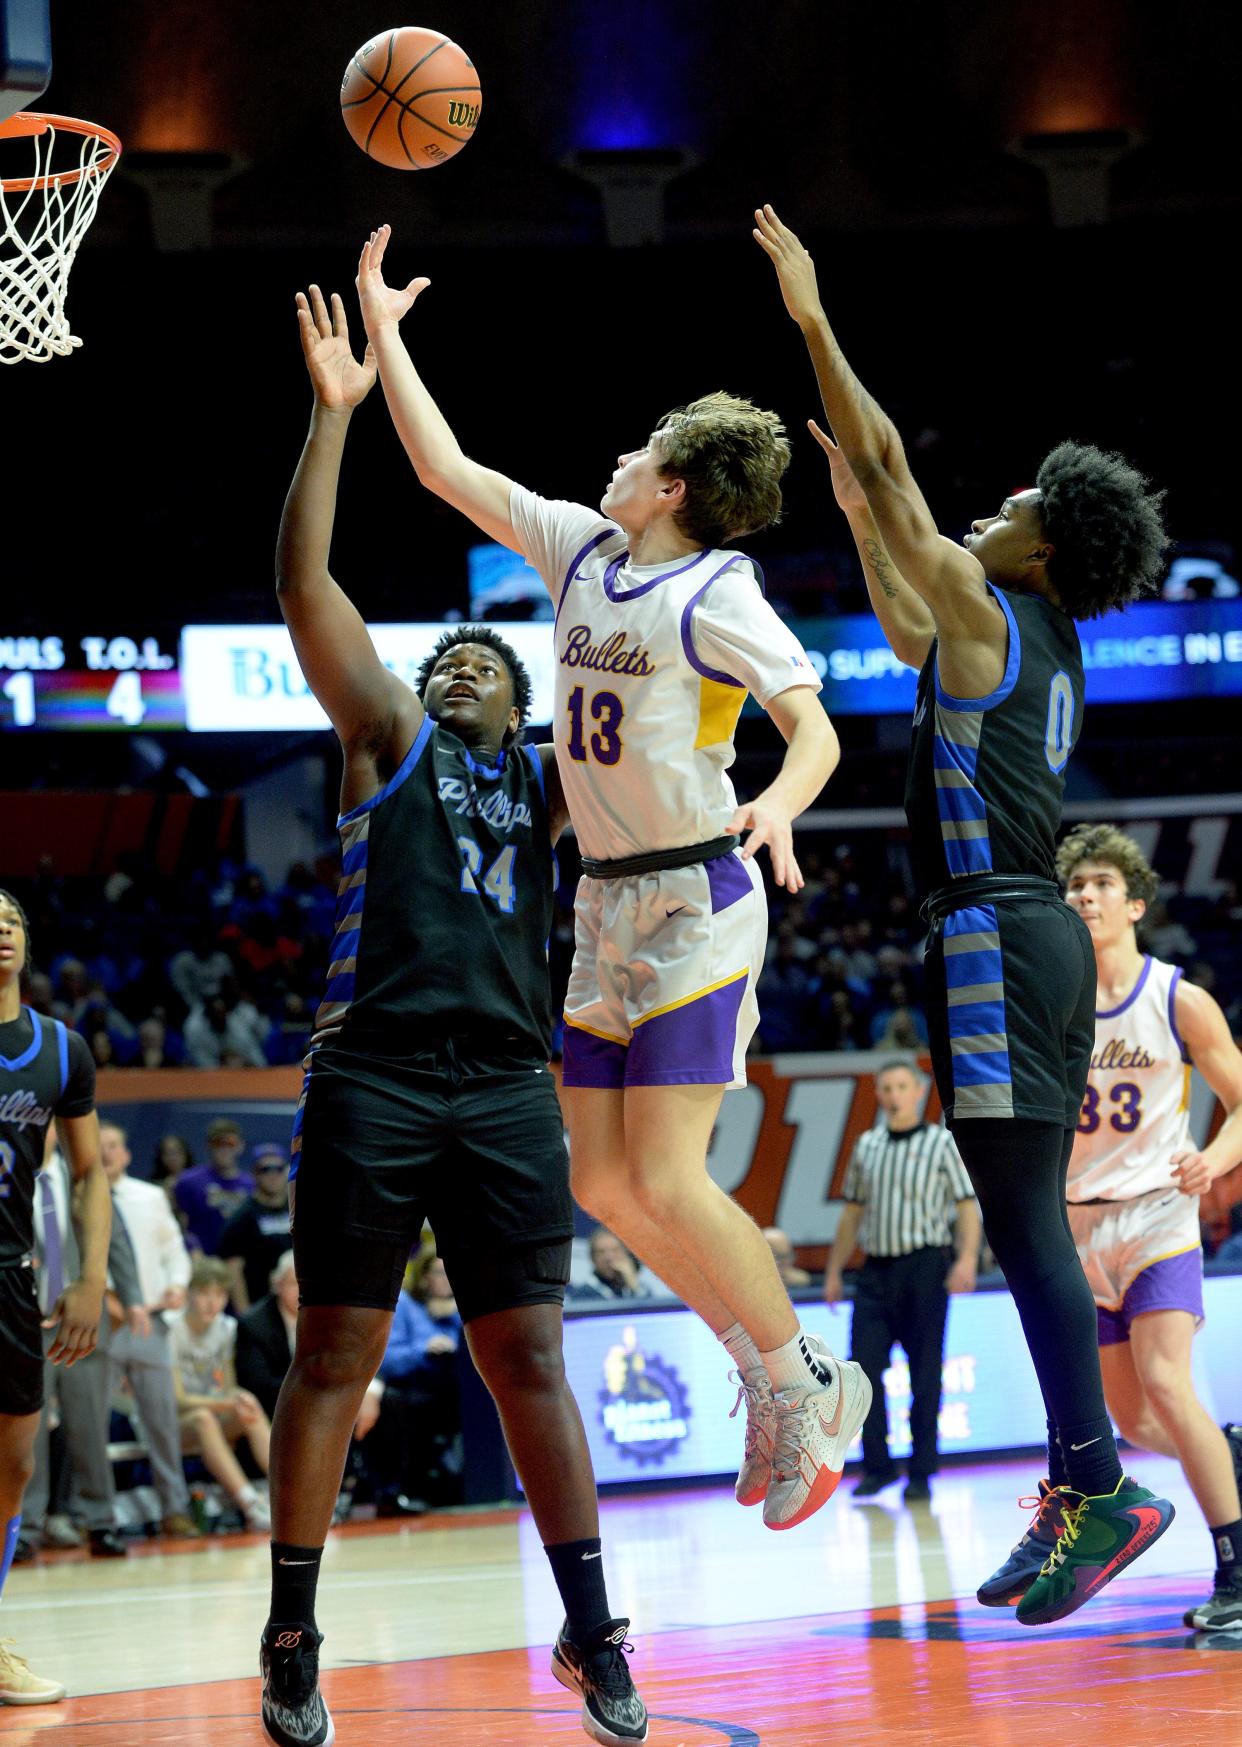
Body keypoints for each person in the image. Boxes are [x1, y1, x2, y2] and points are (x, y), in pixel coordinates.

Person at [356, 222, 870, 1543]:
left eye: (644, 449)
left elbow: (814, 723)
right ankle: (773, 1371)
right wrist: (386, 327)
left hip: (701, 891)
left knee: (669, 1172)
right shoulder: (581, 548)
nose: (620, 456)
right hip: (598, 905)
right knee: (604, 1185)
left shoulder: (719, 587)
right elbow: (440, 466)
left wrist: (781, 803)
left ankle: (798, 1373)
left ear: (678, 485)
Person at [754, 203, 1174, 1623]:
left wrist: (813, 319)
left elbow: (888, 467)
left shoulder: (999, 612)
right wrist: (869, 515)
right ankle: (1081, 1474)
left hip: (997, 930)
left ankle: (1097, 1481)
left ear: (1047, 551)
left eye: (1012, 512)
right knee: (1024, 1205)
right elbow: (894, 586)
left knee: (1019, 1212)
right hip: (1003, 927)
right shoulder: (1007, 635)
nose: (989, 514)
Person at [258, 282, 646, 1747]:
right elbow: (306, 589)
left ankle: (589, 1620)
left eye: (490, 658)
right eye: (446, 656)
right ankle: (293, 1628)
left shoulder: (559, 784)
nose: (462, 662)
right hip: (374, 1074)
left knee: (530, 1357)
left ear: (527, 698)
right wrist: (333, 414)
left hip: (502, 1085)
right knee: (332, 1356)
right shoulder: (388, 737)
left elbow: (657, 736)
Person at [1045, 826, 1242, 1630]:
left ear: (1133, 902)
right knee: (1131, 1421)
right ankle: (1227, 1452)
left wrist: (1217, 1158)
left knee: (1167, 1383)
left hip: (1158, 1213)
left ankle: (1234, 1569)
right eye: (1074, 886)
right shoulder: (1051, 999)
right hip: (1075, 1227)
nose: (1085, 895)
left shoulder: (1176, 996)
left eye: (1099, 884)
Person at [0, 889, 111, 1705]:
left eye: (9, 919)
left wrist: (88, 1277)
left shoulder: (60, 1048)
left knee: (12, 1465)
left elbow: (88, 1171)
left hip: (12, 1272)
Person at [824, 1061, 979, 1502]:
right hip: (875, 1270)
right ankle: (877, 1467)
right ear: (878, 1094)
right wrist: (835, 1269)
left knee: (926, 1372)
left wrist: (966, 1259)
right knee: (863, 1373)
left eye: (901, 1086)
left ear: (918, 1091)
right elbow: (853, 1212)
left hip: (925, 1266)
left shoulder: (940, 1142)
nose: (893, 1095)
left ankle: (922, 1472)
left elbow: (966, 1204)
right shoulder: (867, 1145)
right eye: (886, 1087)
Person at [25, 1121, 139, 1562]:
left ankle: (101, 1522)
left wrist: (133, 1301)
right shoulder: (9, 1177)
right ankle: (27, 1527)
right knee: (26, 1434)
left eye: (51, 1124)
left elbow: (116, 1239)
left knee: (90, 1424)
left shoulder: (82, 1179)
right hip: (28, 1323)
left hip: (83, 1323)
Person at [99, 1118, 200, 1538]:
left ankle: (174, 1508)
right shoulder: (74, 1196)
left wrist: (177, 1285)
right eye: (99, 1145)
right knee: (87, 1424)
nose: (106, 1152)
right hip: (100, 1322)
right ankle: (93, 1516)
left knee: (161, 1420)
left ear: (126, 1154)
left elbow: (175, 1251)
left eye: (114, 1145)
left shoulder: (150, 1196)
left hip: (150, 1323)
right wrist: (109, 1300)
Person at [168, 1257, 272, 1532]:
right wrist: (224, 1401)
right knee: (204, 1418)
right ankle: (250, 1503)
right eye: (204, 1293)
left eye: (219, 1295)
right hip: (168, 1424)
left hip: (211, 1416)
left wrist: (236, 1398)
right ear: (188, 1294)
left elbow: (227, 1386)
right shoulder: (171, 1328)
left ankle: (292, 1496)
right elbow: (176, 1400)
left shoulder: (226, 1328)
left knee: (247, 1405)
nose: (212, 1302)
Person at [218, 1143, 293, 1313]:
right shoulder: (242, 1218)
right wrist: (246, 1317)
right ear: (254, 1174)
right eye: (265, 1169)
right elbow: (233, 1270)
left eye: (278, 1168)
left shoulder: (299, 1211)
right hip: (260, 1307)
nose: (273, 1175)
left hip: (295, 1308)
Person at [174, 1117, 254, 1256]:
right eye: (218, 1143)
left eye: (230, 1143)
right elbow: (178, 1226)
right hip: (201, 1263)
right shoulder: (188, 1182)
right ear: (208, 1146)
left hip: (240, 1264)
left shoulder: (252, 1184)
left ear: (240, 1146)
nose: (224, 1149)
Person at [568, 1229, 655, 1303]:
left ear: (625, 1254)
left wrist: (634, 1284)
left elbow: (650, 1314)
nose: (609, 1258)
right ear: (593, 1258)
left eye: (615, 1250)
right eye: (601, 1252)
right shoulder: (583, 1294)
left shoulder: (640, 1289)